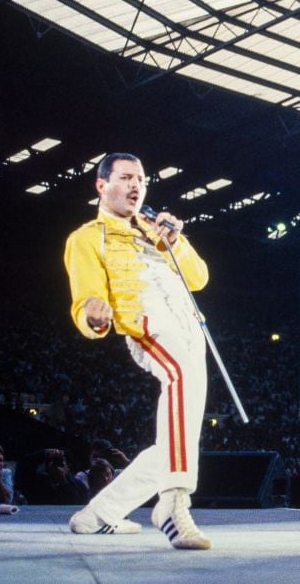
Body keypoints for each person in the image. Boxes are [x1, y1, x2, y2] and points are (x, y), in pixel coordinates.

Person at [63, 153, 211, 549]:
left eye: (142, 180)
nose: (136, 186)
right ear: (101, 185)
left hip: (187, 326)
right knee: (179, 378)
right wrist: (93, 316)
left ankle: (97, 515)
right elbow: (86, 299)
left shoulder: (156, 229)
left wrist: (176, 242)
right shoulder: (86, 238)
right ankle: (173, 502)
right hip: (147, 324)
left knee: (174, 441)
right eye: (126, 177)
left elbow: (199, 277)